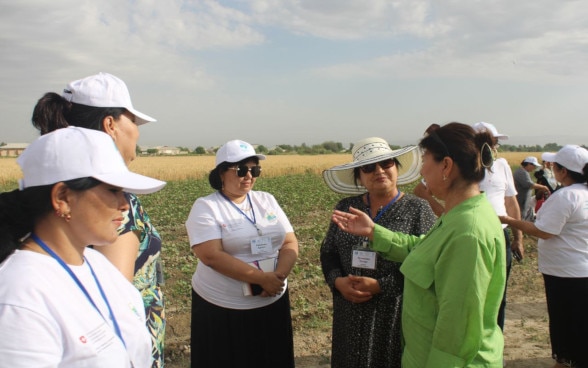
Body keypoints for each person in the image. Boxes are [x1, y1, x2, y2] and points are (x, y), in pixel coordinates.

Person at [331, 122, 506, 367]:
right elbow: (423, 249)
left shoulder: (469, 232)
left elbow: (457, 329)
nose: (422, 172)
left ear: (445, 166)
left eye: (425, 161)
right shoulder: (458, 216)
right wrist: (374, 232)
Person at [31, 72, 166, 367]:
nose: (138, 133)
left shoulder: (49, 188)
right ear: (110, 125)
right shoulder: (112, 207)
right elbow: (113, 305)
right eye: (133, 121)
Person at [0, 127, 166, 367]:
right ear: (63, 198)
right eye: (113, 190)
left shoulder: (98, 264)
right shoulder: (19, 297)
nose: (125, 206)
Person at [320, 137, 436, 368]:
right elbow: (328, 251)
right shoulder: (346, 207)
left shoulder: (418, 209)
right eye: (369, 167)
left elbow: (428, 263)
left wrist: (382, 285)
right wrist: (338, 282)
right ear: (359, 176)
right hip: (349, 308)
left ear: (396, 167)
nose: (379, 171)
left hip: (395, 309)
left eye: (386, 164)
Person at [185, 139, 299, 367]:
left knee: (271, 357)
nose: (249, 175)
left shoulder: (266, 200)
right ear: (221, 173)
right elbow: (211, 256)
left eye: (254, 169)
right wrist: (260, 278)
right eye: (241, 170)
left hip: (273, 297)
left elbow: (289, 242)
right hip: (224, 307)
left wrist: (278, 277)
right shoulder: (206, 206)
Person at [501, 145, 588, 368]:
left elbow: (543, 231)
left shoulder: (566, 196)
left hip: (564, 274)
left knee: (565, 325)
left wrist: (508, 220)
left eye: (555, 165)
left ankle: (565, 361)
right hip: (580, 270)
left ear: (563, 171)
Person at [471, 122, 524, 333]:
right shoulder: (462, 165)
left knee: (498, 293)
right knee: (475, 290)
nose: (495, 147)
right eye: (492, 142)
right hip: (473, 235)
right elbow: (423, 189)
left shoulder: (501, 165)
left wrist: (518, 238)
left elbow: (511, 202)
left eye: (495, 142)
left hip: (501, 234)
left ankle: (495, 338)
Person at [513, 156, 550, 221]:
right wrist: (543, 187)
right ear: (529, 164)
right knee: (520, 217)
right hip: (520, 200)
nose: (535, 168)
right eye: (534, 165)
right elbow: (529, 184)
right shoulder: (521, 172)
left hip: (523, 200)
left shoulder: (524, 172)